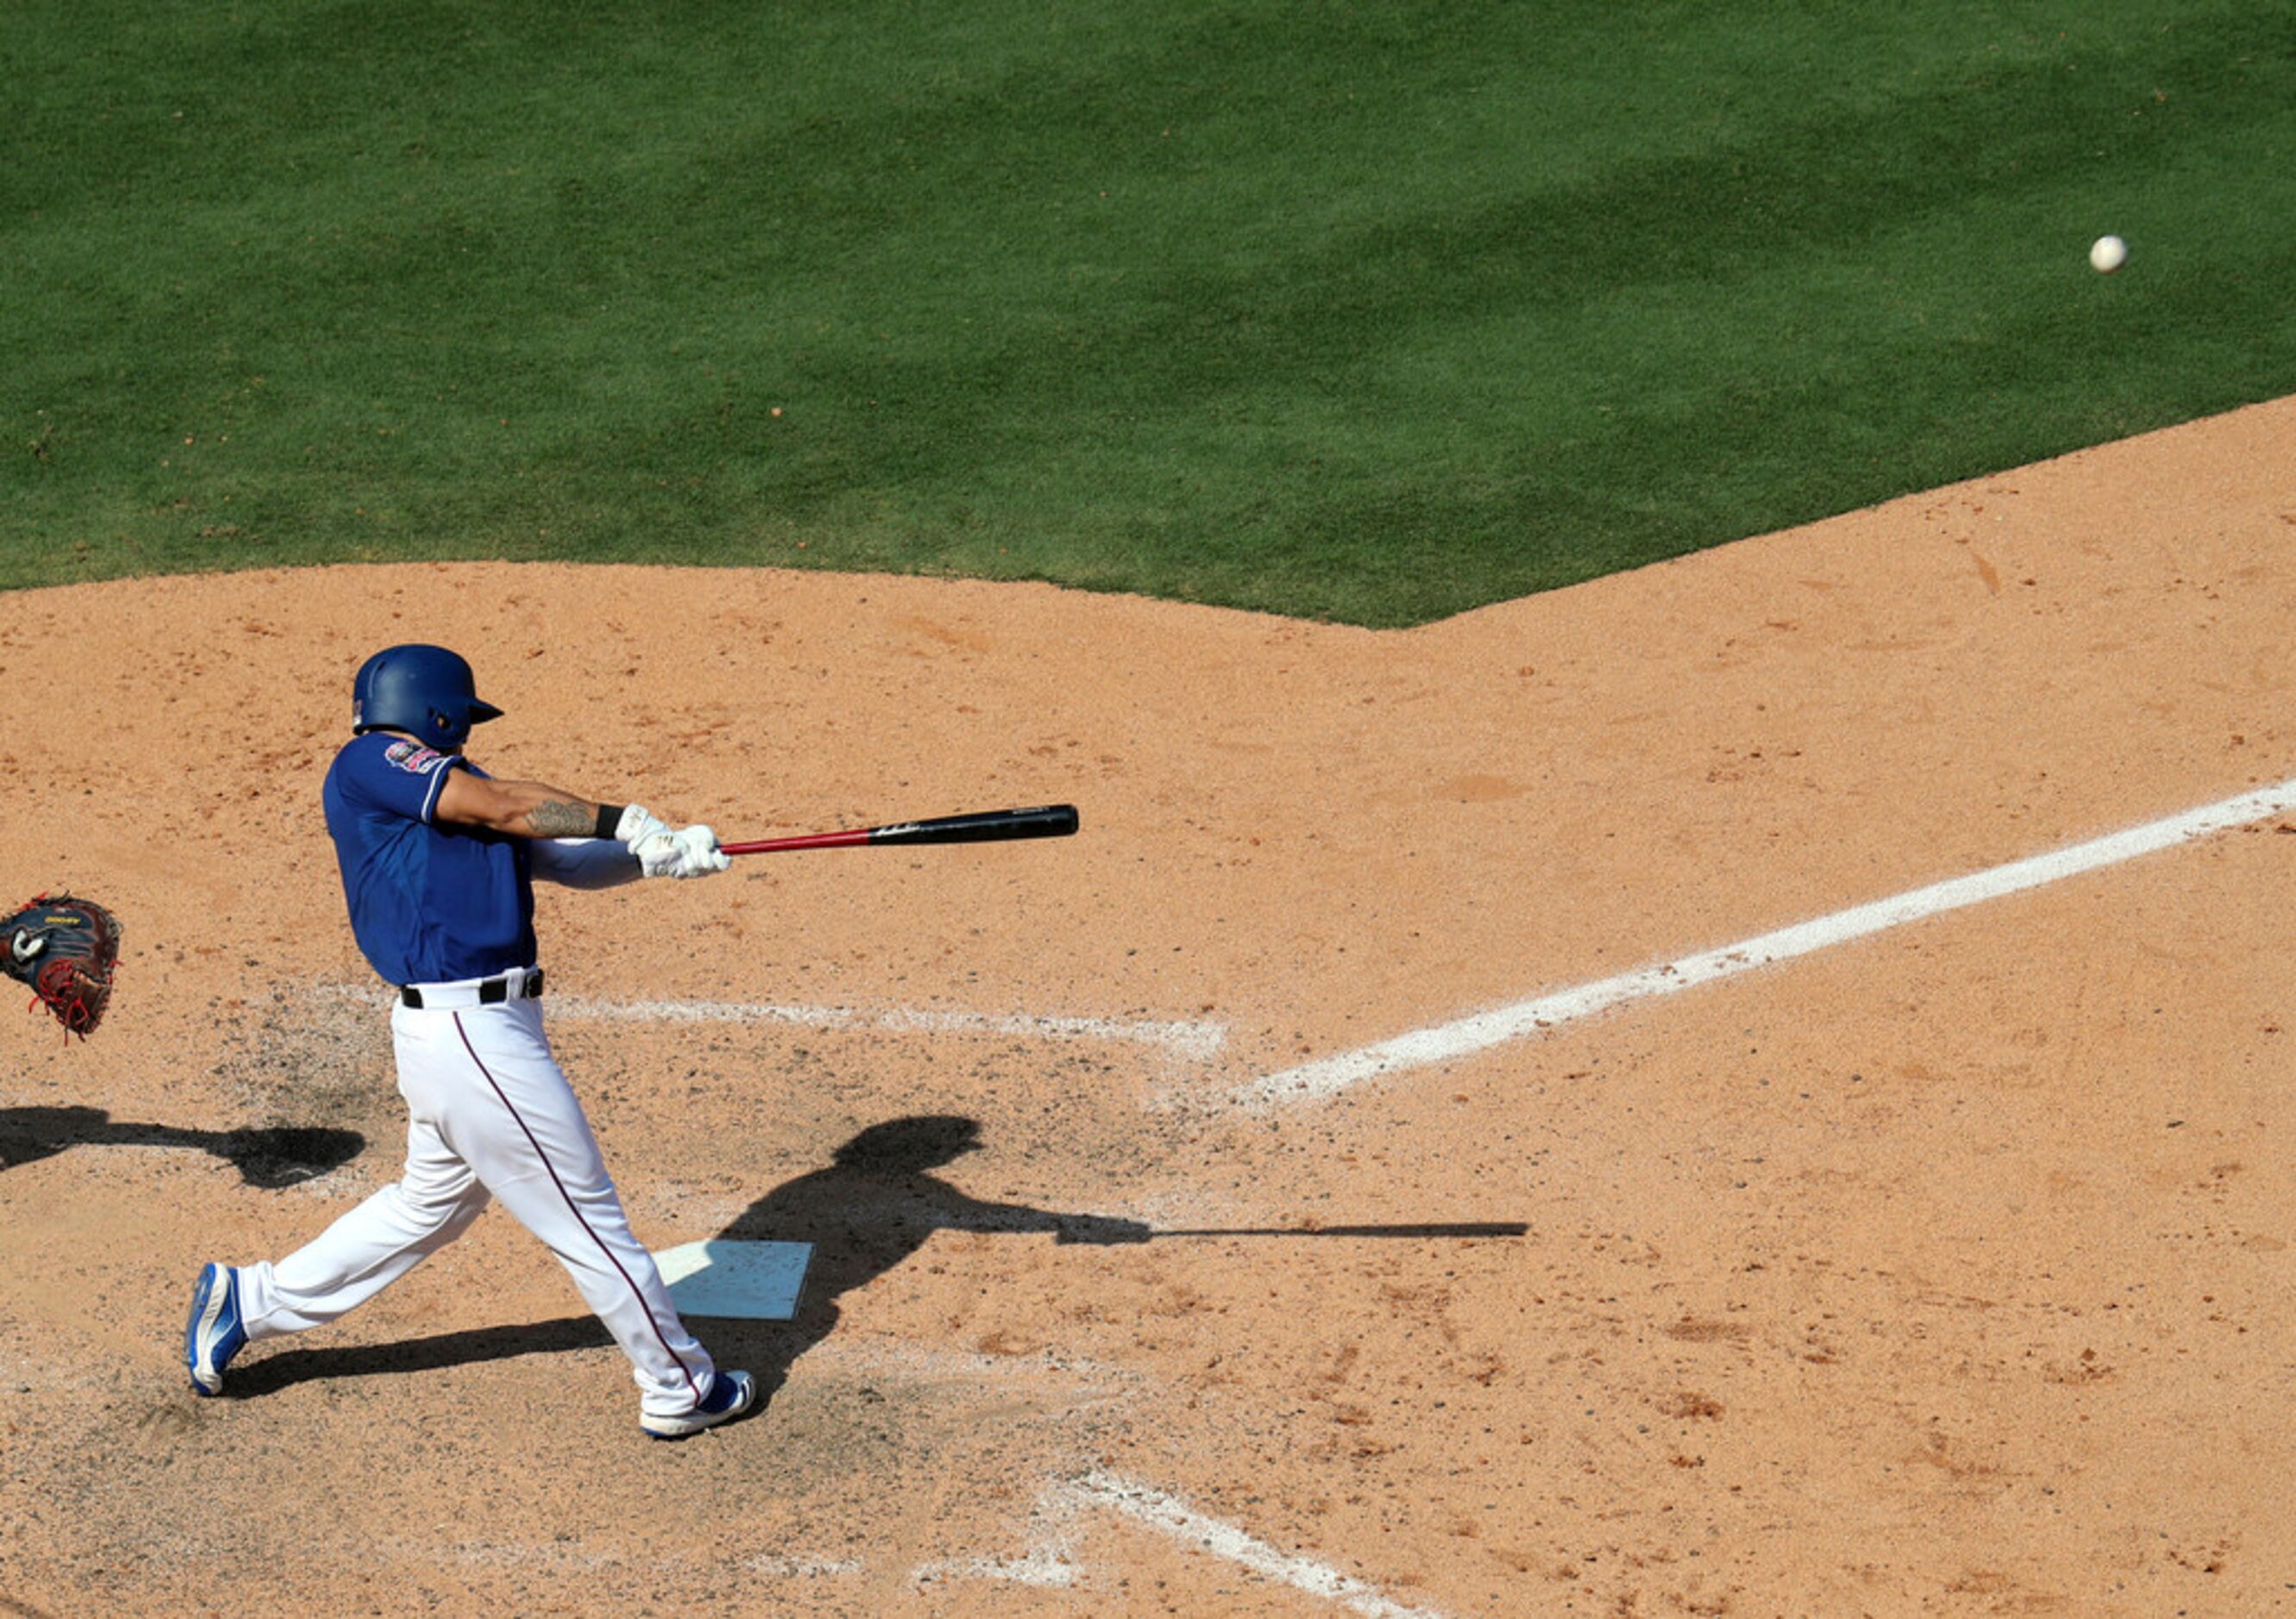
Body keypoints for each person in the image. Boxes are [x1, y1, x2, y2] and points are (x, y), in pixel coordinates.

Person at [183, 644, 756, 1440]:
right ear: (435, 711)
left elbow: (562, 858)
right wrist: (627, 819)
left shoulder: (462, 797)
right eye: (460, 721)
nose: (463, 734)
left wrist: (659, 855)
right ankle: (680, 1385)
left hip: (471, 1034)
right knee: (587, 1219)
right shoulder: (373, 763)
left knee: (430, 1208)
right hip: (469, 1034)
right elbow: (509, 809)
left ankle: (251, 1300)